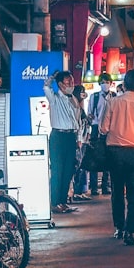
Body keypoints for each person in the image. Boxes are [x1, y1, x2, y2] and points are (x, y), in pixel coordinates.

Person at [100, 69, 134, 246]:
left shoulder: (113, 103)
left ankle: (119, 227)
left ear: (124, 84)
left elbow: (103, 128)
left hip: (115, 152)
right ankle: (130, 231)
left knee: (117, 191)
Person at [43, 70, 80, 214]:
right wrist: (51, 78)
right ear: (60, 85)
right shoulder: (54, 98)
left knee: (68, 170)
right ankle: (54, 202)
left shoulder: (73, 99)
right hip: (58, 136)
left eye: (72, 81)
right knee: (57, 170)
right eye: (68, 82)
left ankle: (63, 202)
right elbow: (46, 87)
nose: (71, 84)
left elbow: (76, 118)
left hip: (71, 137)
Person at [86, 72, 114, 196]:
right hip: (96, 128)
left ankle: (105, 185)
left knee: (108, 157)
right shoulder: (94, 96)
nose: (105, 84)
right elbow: (90, 113)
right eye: (102, 82)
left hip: (109, 129)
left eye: (107, 82)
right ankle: (94, 187)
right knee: (94, 157)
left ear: (111, 83)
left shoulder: (114, 96)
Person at [70, 84, 92, 202]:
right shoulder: (75, 107)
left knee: (83, 167)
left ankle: (81, 190)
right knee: (77, 167)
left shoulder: (80, 108)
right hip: (79, 141)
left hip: (83, 141)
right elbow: (78, 126)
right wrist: (79, 140)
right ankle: (76, 191)